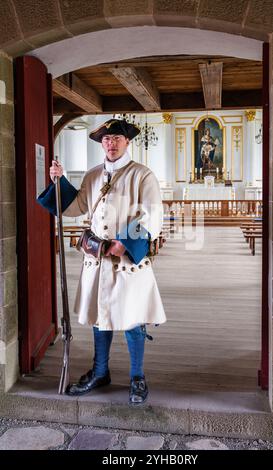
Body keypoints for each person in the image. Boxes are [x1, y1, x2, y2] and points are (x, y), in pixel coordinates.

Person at [37, 118, 167, 405]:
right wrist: (58, 182)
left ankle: (137, 377)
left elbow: (152, 214)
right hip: (97, 261)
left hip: (128, 261)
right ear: (101, 144)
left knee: (133, 319)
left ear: (127, 141)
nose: (111, 143)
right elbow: (76, 207)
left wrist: (126, 242)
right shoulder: (93, 174)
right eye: (106, 139)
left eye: (116, 138)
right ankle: (100, 372)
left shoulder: (142, 175)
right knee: (100, 317)